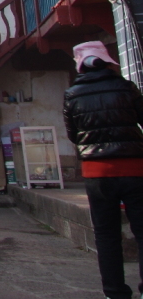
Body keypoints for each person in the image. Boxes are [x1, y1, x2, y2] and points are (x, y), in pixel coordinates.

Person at [63, 40, 143, 299]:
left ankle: (114, 292)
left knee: (106, 235)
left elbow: (73, 134)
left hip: (97, 173)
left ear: (81, 66)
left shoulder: (72, 95)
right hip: (134, 168)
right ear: (106, 61)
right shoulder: (126, 87)